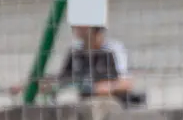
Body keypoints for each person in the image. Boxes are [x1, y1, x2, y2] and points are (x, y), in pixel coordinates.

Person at [11, 26, 144, 107]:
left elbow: (126, 83)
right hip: (86, 107)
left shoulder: (114, 49)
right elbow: (62, 81)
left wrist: (100, 88)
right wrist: (28, 86)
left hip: (113, 105)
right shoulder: (75, 51)